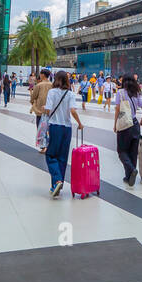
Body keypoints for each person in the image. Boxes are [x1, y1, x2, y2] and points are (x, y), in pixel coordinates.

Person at [43, 70, 84, 198]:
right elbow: (72, 110)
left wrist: (43, 109)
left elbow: (48, 109)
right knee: (62, 156)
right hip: (67, 128)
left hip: (55, 127)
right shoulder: (70, 94)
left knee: (50, 155)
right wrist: (79, 123)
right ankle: (56, 186)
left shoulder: (52, 92)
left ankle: (57, 180)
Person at [113, 74, 142, 187]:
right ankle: (128, 177)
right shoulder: (136, 93)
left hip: (124, 126)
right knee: (133, 153)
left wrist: (115, 124)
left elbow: (117, 110)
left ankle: (131, 170)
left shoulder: (120, 93)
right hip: (135, 124)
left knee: (122, 151)